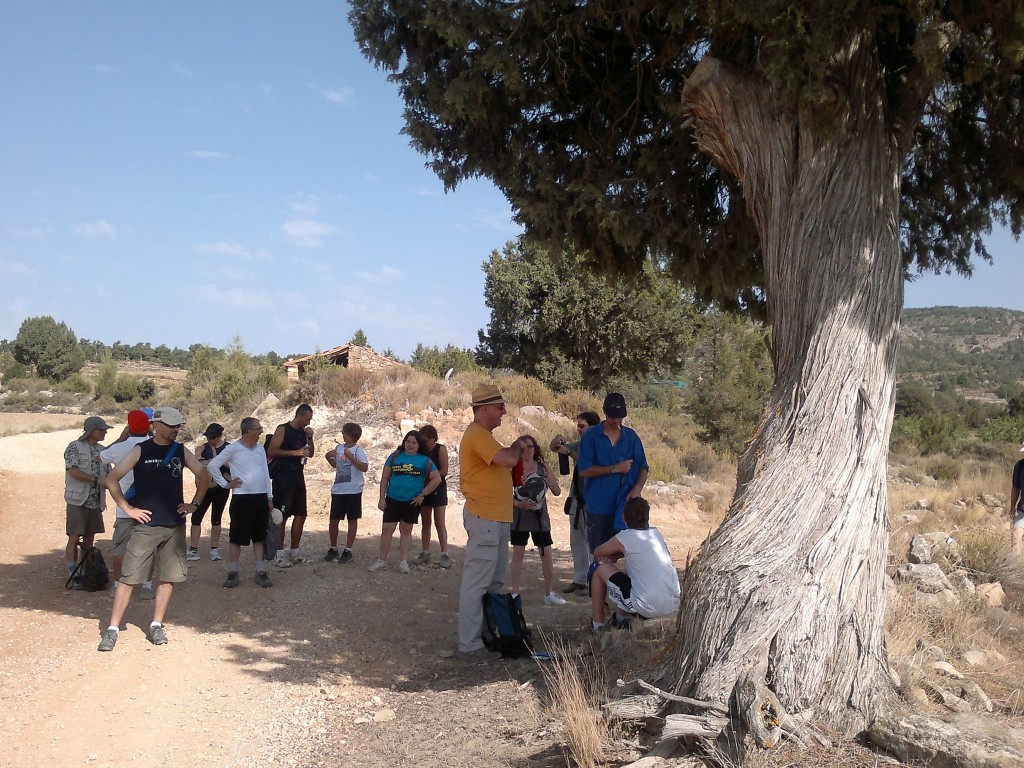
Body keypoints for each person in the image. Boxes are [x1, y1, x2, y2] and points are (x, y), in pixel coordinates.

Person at [98, 406, 211, 651]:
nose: (176, 429)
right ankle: (112, 629)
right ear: (156, 425)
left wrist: (194, 504)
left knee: (168, 578)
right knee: (128, 578)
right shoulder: (140, 450)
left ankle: (156, 625)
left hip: (174, 526)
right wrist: (128, 509)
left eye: (178, 425)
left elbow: (204, 476)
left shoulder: (181, 450)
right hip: (146, 527)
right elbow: (111, 479)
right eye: (171, 425)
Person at [456, 384, 529, 656]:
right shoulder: (477, 434)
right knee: (477, 583)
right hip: (484, 518)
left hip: (495, 520)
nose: (503, 412)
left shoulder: (484, 436)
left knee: (494, 584)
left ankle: (491, 635)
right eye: (499, 407)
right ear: (484, 407)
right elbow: (508, 459)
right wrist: (519, 444)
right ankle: (470, 643)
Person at [589, 497, 680, 633]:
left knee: (599, 567)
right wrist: (617, 555)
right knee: (632, 577)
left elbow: (598, 552)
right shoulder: (656, 534)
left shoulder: (625, 537)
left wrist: (613, 556)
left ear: (623, 517)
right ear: (647, 517)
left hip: (647, 607)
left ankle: (597, 626)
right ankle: (620, 619)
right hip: (672, 604)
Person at [206, 417, 276, 589]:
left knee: (259, 536)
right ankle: (233, 573)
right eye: (258, 428)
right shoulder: (233, 448)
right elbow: (212, 466)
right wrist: (225, 484)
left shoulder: (260, 448)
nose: (261, 431)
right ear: (248, 431)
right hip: (242, 498)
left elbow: (265, 473)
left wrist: (269, 497)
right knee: (236, 537)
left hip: (260, 497)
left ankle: (260, 571)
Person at [577, 392, 649, 553]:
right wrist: (615, 468)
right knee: (599, 555)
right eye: (613, 417)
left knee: (632, 554)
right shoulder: (591, 436)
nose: (616, 421)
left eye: (620, 417)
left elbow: (643, 467)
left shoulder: (631, 437)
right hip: (598, 507)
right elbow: (584, 470)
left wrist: (637, 489)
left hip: (626, 508)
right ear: (604, 412)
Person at [99, 409, 156, 598]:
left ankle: (118, 585)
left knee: (120, 548)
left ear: (129, 427)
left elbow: (102, 455)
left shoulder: (120, 448)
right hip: (149, 506)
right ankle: (147, 585)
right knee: (148, 548)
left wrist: (121, 438)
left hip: (124, 507)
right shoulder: (155, 446)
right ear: (149, 426)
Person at [370, 430, 441, 573]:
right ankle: (382, 560)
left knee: (406, 531)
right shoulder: (395, 456)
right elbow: (385, 478)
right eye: (408, 441)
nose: (410, 445)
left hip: (411, 501)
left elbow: (436, 478)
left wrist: (422, 494)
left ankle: (403, 561)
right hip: (392, 499)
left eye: (414, 442)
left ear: (419, 445)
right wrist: (382, 498)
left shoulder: (425, 460)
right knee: (387, 530)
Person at [509, 434, 565, 606]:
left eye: (530, 446)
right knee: (518, 554)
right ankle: (515, 593)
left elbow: (557, 491)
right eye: (523, 447)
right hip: (519, 516)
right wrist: (518, 504)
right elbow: (503, 494)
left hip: (540, 518)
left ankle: (549, 592)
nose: (527, 450)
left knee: (546, 554)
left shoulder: (543, 467)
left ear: (535, 448)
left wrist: (550, 481)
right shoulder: (513, 467)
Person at [550, 411, 602, 593]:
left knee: (593, 543)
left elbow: (589, 464)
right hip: (577, 499)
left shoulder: (600, 446)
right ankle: (580, 579)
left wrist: (570, 453)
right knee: (577, 541)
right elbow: (554, 448)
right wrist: (557, 440)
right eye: (578, 426)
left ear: (593, 427)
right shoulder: (580, 444)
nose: (578, 429)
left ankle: (594, 581)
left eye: (582, 426)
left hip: (594, 500)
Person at [64, 415, 112, 584]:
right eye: (102, 430)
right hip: (78, 500)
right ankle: (73, 573)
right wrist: (96, 480)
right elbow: (73, 471)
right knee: (74, 537)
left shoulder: (103, 451)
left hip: (95, 502)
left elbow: (110, 474)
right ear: (92, 431)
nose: (105, 432)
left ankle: (86, 572)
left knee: (90, 538)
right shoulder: (74, 447)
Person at [267, 404, 315, 567]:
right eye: (307, 419)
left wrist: (310, 438)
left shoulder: (303, 432)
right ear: (299, 415)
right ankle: (278, 553)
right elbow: (272, 450)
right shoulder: (283, 429)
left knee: (301, 514)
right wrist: (294, 453)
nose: (308, 422)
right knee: (281, 516)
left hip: (298, 477)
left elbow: (311, 453)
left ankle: (295, 551)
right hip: (283, 478)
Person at [324, 423, 369, 564]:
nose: (342, 435)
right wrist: (328, 457)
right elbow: (337, 465)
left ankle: (348, 549)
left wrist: (351, 457)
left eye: (344, 432)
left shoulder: (358, 450)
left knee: (352, 519)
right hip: (338, 489)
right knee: (334, 520)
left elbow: (364, 467)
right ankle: (333, 548)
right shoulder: (339, 448)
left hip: (353, 490)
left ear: (349, 435)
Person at [188, 423, 230, 562]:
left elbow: (233, 466)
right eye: (208, 437)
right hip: (204, 488)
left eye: (213, 437)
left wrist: (218, 461)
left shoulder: (228, 448)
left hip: (221, 488)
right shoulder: (202, 447)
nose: (210, 440)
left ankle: (214, 548)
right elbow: (195, 460)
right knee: (196, 516)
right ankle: (193, 549)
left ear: (219, 436)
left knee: (216, 518)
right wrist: (202, 458)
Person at [415, 424, 452, 568]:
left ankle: (445, 553)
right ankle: (425, 552)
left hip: (438, 488)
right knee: (425, 521)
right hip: (424, 487)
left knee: (439, 522)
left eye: (426, 440)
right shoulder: (421, 451)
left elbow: (444, 470)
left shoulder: (440, 449)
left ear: (433, 439)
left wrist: (430, 474)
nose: (423, 443)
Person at [1011, 438, 1024, 558]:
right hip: (1022, 510)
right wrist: (1012, 507)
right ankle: (1016, 565)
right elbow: (1016, 488)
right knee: (1016, 536)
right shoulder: (1020, 466)